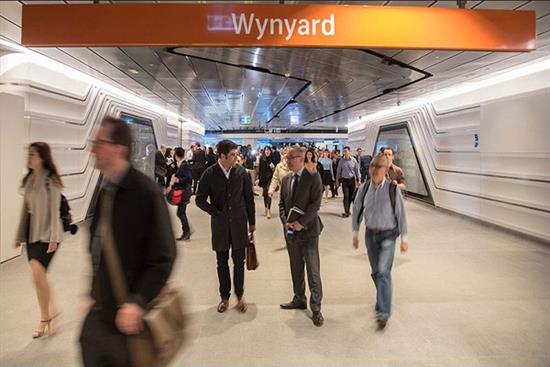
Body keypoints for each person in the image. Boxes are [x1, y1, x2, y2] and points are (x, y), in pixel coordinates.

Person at [80, 116, 176, 367]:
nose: (93, 149)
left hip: (129, 318)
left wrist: (138, 302)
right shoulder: (105, 193)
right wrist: (94, 291)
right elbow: (99, 249)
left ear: (119, 149)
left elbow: (164, 257)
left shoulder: (145, 193)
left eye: (99, 143)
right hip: (101, 312)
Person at [195, 139, 256, 314]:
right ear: (222, 156)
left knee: (239, 262)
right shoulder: (209, 174)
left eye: (237, 154)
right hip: (220, 226)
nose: (236, 157)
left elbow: (249, 199)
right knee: (222, 263)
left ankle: (240, 296)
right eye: (232, 155)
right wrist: (214, 211)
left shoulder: (241, 173)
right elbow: (199, 199)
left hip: (239, 224)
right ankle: (224, 297)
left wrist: (251, 222)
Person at [351, 154, 409, 330]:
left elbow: (401, 214)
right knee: (376, 273)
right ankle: (383, 295)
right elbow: (357, 211)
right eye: (372, 167)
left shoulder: (392, 189)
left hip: (388, 236)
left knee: (383, 272)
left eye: (378, 167)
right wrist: (355, 234)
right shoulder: (364, 187)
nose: (374, 170)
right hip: (370, 235)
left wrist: (404, 239)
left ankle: (383, 312)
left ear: (385, 171)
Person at [15, 142, 64, 339]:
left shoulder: (50, 181)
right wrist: (19, 236)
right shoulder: (28, 181)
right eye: (29, 153)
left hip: (49, 235)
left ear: (42, 157)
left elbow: (54, 211)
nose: (29, 157)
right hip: (33, 235)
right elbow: (25, 211)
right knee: (39, 278)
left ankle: (45, 318)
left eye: (33, 154)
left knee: (38, 274)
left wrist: (53, 238)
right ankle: (51, 313)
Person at [278, 146, 324, 327]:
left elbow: (316, 204)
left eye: (290, 158)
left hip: (309, 232)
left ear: (300, 159)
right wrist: (285, 221)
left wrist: (301, 223)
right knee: (296, 267)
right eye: (286, 158)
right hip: (291, 233)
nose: (287, 161)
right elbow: (282, 204)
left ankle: (316, 308)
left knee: (313, 271)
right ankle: (299, 298)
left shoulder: (313, 177)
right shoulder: (286, 179)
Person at [173, 147, 193, 241]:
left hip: (183, 192)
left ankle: (187, 231)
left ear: (176, 155)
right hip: (183, 191)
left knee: (180, 213)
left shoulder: (184, 165)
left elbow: (189, 178)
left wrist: (178, 180)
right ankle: (187, 231)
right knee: (181, 212)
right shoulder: (182, 164)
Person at [336, 146, 360, 218]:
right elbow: (338, 171)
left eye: (346, 151)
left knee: (351, 196)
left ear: (349, 152)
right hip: (344, 181)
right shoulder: (341, 161)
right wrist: (337, 180)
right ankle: (346, 211)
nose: (345, 152)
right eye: (344, 151)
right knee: (346, 196)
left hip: (352, 180)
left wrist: (359, 179)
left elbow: (357, 170)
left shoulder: (354, 160)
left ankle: (348, 210)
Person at [258, 146, 275, 219]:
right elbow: (260, 170)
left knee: (269, 194)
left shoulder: (272, 158)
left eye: (268, 150)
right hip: (264, 179)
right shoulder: (262, 158)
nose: (267, 151)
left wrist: (270, 161)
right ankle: (266, 208)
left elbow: (274, 167)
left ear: (270, 151)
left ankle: (269, 211)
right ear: (264, 151)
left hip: (270, 179)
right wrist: (259, 179)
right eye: (266, 150)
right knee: (265, 194)